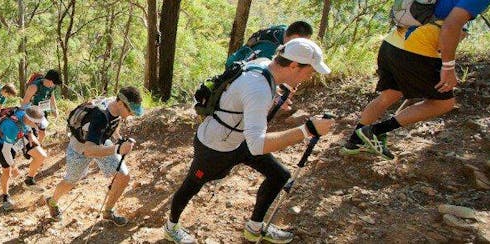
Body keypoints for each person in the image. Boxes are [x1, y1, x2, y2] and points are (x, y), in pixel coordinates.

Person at [162, 38, 335, 244]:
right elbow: (258, 144)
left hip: (240, 139)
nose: (311, 76)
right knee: (193, 183)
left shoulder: (262, 64)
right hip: (215, 146)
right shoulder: (259, 89)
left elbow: (244, 102)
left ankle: (255, 227)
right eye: (311, 71)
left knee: (279, 175)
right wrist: (308, 130)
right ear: (294, 66)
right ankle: (171, 227)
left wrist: (276, 100)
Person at [340, 1, 490, 160]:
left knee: (389, 95)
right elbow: (451, 26)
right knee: (443, 103)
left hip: (392, 43)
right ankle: (374, 131)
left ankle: (354, 143)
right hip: (417, 49)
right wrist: (448, 67)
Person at [45, 86, 144, 226]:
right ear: (121, 103)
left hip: (101, 142)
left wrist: (118, 139)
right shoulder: (100, 116)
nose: (131, 114)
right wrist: (118, 148)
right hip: (80, 148)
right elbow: (89, 150)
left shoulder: (114, 105)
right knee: (70, 181)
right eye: (130, 110)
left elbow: (114, 124)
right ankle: (52, 201)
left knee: (123, 176)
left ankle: (108, 212)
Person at [0, 106, 49, 210]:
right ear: (29, 119)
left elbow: (26, 126)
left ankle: (29, 181)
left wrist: (30, 134)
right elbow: (6, 151)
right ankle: (5, 197)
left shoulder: (27, 112)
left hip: (20, 136)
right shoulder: (11, 127)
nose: (39, 126)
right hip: (5, 144)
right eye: (37, 124)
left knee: (41, 155)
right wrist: (14, 167)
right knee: (7, 171)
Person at [225, 21, 313, 69]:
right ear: (294, 37)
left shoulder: (283, 29)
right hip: (233, 65)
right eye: (301, 42)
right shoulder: (270, 51)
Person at [21, 69, 62, 143]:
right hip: (32, 113)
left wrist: (54, 109)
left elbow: (52, 97)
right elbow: (24, 102)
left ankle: (38, 147)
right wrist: (25, 118)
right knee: (33, 135)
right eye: (54, 82)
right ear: (50, 80)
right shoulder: (34, 86)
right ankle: (32, 150)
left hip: (42, 112)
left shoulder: (52, 87)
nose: (55, 85)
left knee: (42, 134)